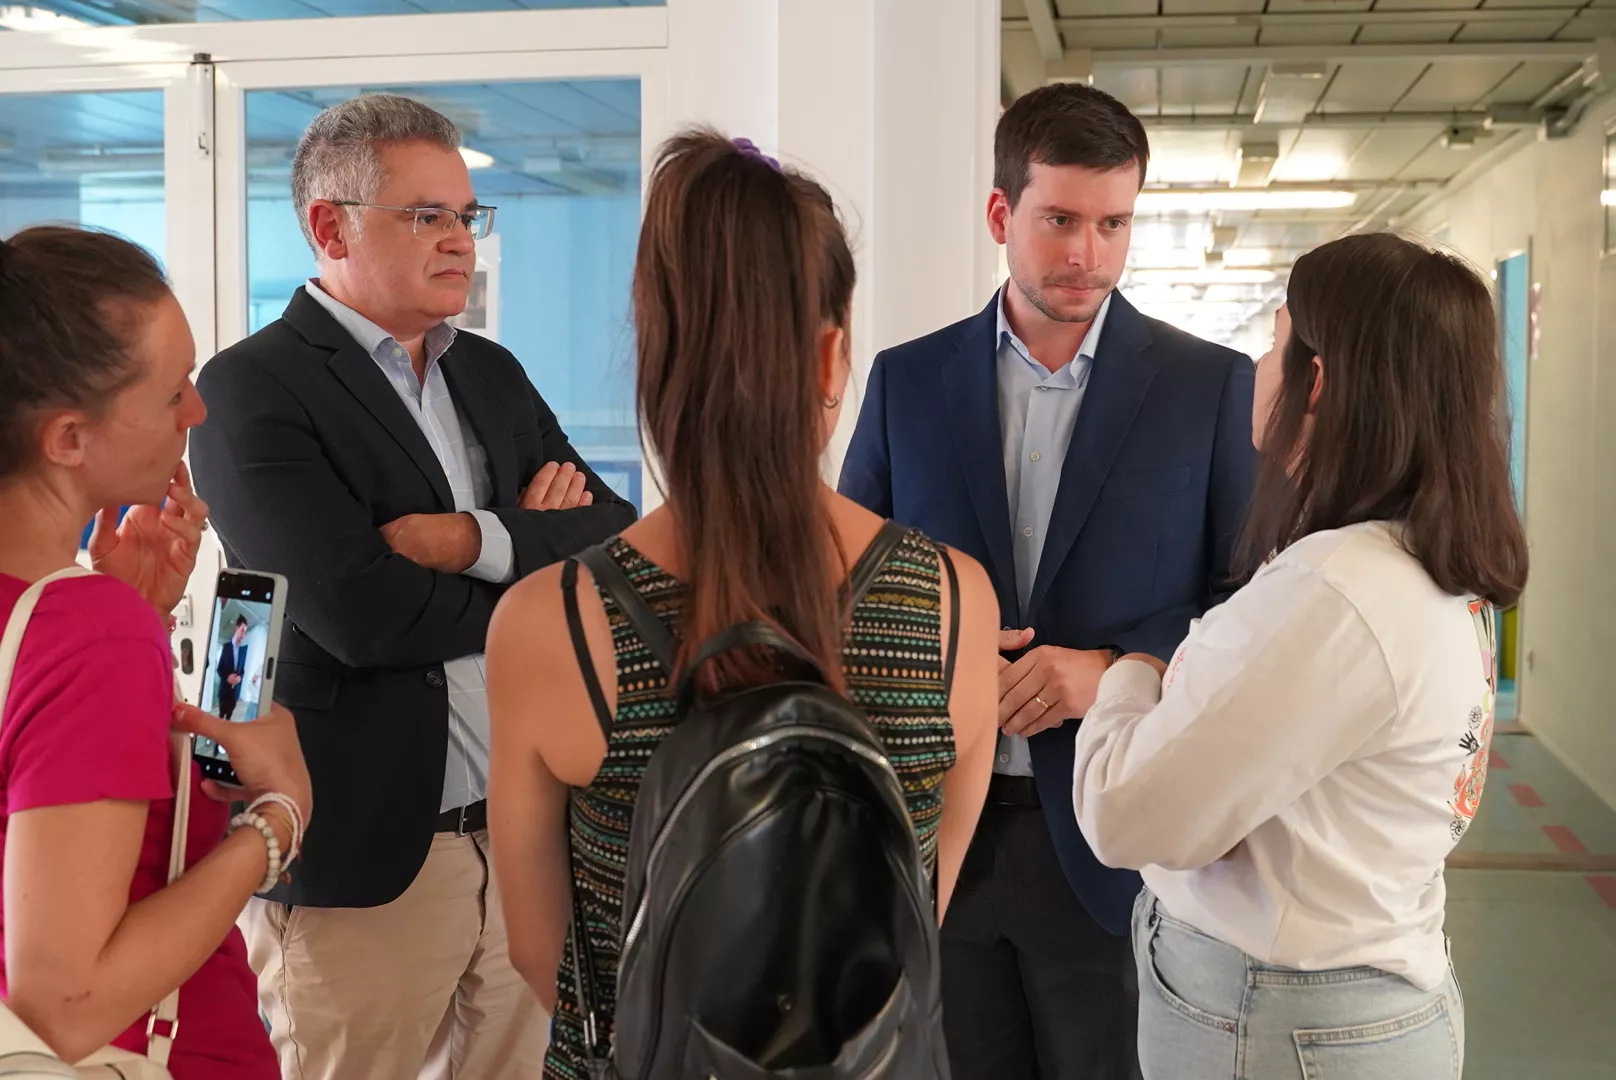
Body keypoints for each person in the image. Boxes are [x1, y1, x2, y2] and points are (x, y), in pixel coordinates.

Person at [483, 129, 1000, 1078]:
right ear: (832, 355)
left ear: (655, 356)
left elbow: (544, 957)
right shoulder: (951, 602)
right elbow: (916, 911)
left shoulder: (554, 620)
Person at [188, 94, 637, 1080]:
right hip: (364, 857)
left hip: (520, 837)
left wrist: (465, 537)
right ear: (329, 227)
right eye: (426, 215)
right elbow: (362, 617)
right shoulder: (250, 389)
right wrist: (533, 561)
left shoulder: (490, 373)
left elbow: (614, 543)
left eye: (466, 216)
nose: (460, 241)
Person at [839, 82, 1256, 1079]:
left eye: (1113, 224)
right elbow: (851, 575)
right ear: (1001, 214)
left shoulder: (1208, 387)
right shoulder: (906, 380)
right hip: (941, 826)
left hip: (1113, 841)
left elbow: (1243, 600)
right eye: (1060, 220)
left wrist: (1113, 669)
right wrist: (939, 652)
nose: (1087, 254)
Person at [1072, 232, 1528, 1079]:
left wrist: (1131, 672)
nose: (1259, 363)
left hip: (1279, 1024)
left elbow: (1124, 814)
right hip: (1363, 1001)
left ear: (1316, 381)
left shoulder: (1338, 593)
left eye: (1275, 340)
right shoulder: (1420, 562)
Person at [0, 224, 312, 1079]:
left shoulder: (76, 621)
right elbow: (63, 1002)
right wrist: (277, 818)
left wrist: (129, 612)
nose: (197, 413)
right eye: (174, 391)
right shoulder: (89, 631)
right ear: (67, 437)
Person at [216, 615, 249, 720]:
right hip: (224, 690)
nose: (244, 634)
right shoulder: (226, 647)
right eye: (242, 630)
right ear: (236, 628)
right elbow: (219, 668)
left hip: (235, 693)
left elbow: (242, 671)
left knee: (229, 717)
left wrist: (240, 677)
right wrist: (227, 677)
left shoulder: (243, 650)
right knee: (221, 716)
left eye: (245, 632)